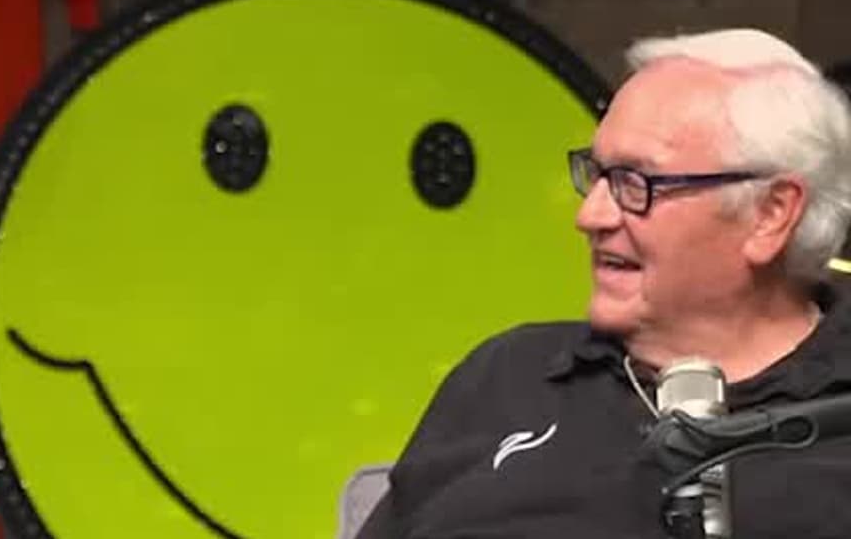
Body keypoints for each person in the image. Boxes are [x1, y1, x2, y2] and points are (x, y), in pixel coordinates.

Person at [357, 28, 851, 538]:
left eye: (636, 183)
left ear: (771, 213)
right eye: (596, 175)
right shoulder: (506, 378)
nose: (590, 216)